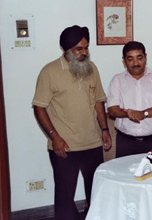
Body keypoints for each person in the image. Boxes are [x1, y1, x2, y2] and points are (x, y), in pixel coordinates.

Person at [32, 25, 112, 220]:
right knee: (65, 197)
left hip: (92, 142)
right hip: (64, 146)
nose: (84, 52)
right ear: (66, 50)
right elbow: (39, 107)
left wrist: (104, 129)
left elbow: (99, 101)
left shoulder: (91, 68)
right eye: (79, 49)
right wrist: (54, 137)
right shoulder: (49, 71)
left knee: (96, 192)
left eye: (86, 47)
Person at [107, 41, 152, 157]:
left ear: (145, 57)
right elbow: (112, 109)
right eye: (130, 59)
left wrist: (143, 113)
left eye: (139, 58)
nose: (135, 63)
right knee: (124, 175)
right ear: (124, 61)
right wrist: (128, 114)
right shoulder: (117, 80)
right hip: (126, 142)